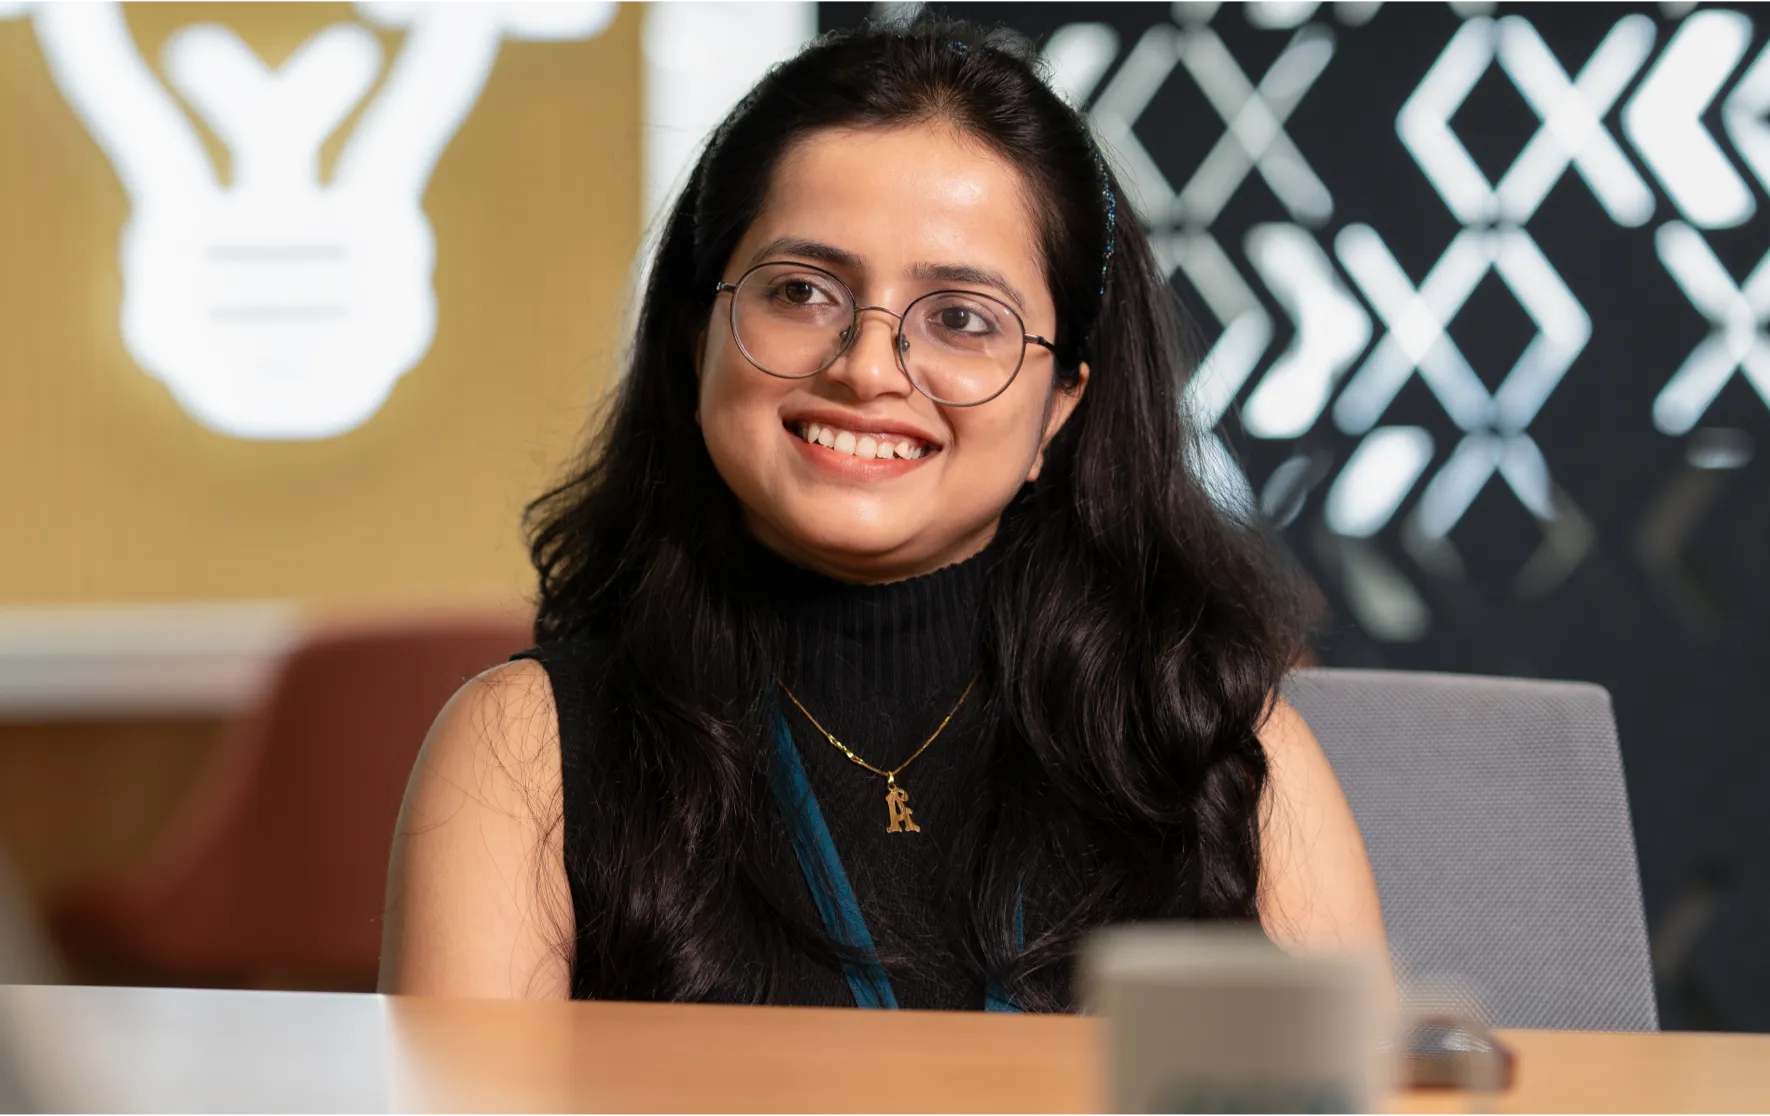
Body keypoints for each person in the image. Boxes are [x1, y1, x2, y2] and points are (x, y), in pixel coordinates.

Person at [378, 20, 1386, 1010]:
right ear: (698, 343)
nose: (865, 368)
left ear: (1061, 407)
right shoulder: (523, 750)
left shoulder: (1218, 749)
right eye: (803, 291)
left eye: (960, 318)